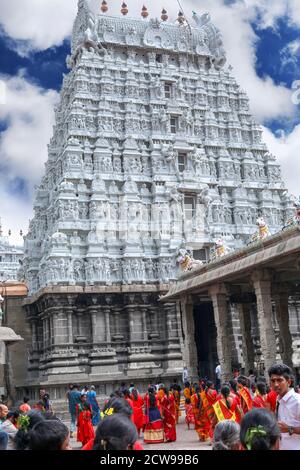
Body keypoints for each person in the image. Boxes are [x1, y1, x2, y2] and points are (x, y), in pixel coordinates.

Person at [268, 363, 300, 450]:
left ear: (288, 382)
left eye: (279, 380)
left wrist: (290, 429)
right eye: (273, 381)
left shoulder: (297, 401)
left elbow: (286, 429)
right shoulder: (278, 400)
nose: (276, 384)